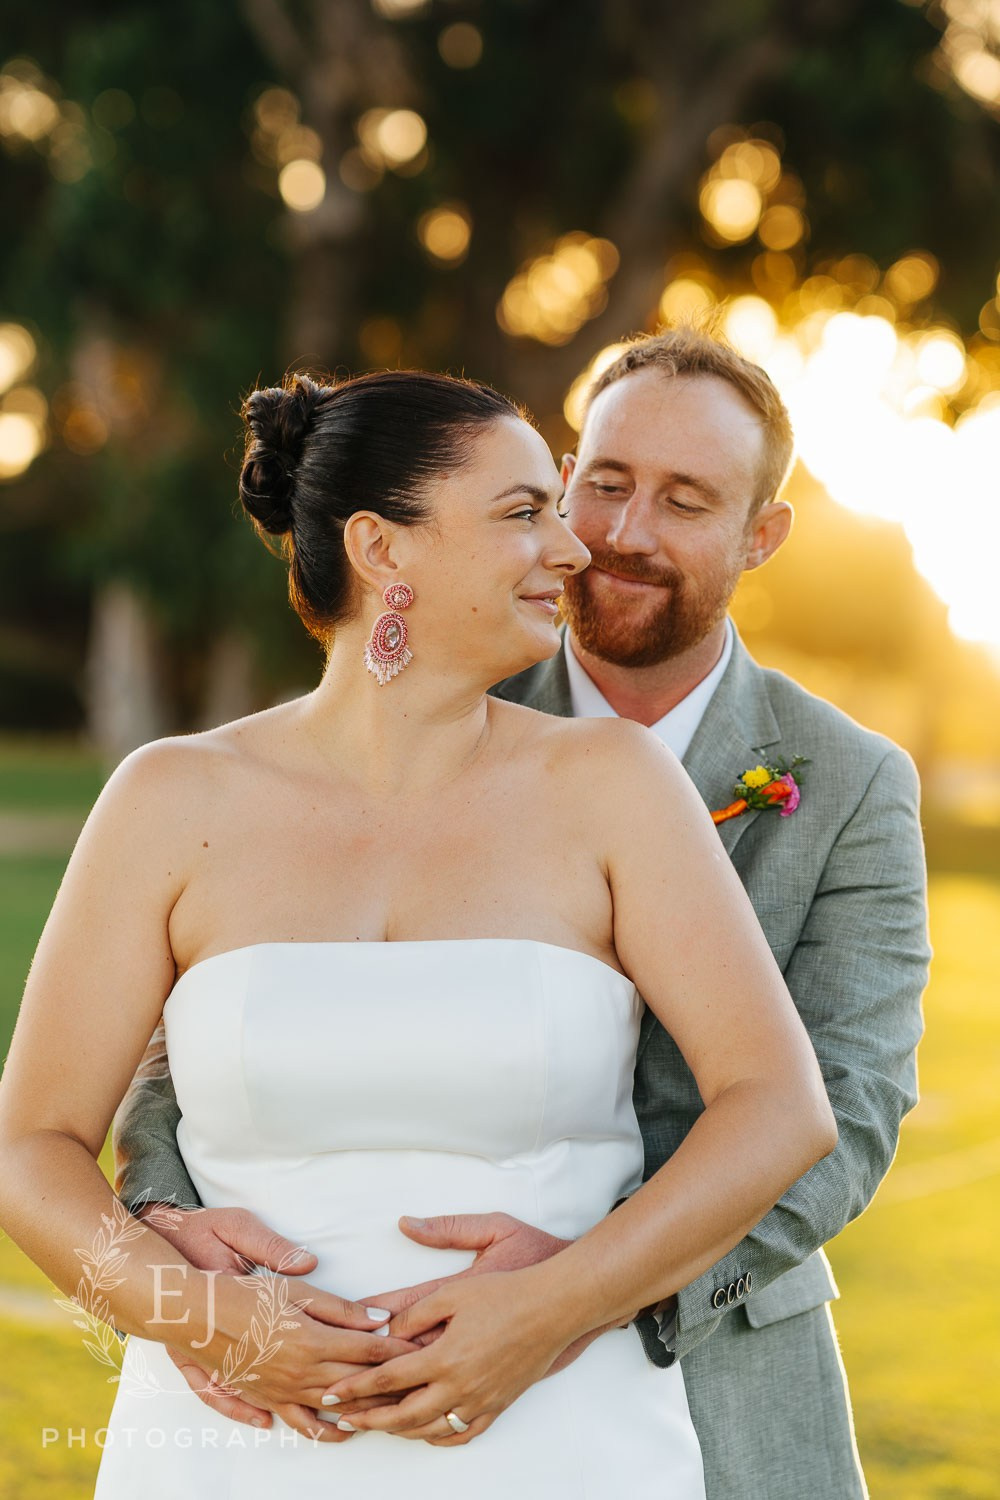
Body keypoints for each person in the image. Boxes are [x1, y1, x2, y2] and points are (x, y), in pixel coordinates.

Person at [114, 331, 930, 1499]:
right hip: (289, 1381)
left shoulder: (848, 780)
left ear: (761, 535)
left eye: (685, 500)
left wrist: (581, 1293)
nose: (616, 534)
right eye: (600, 483)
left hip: (700, 1344)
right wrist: (167, 1242)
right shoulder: (433, 680)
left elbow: (840, 1109)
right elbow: (199, 1025)